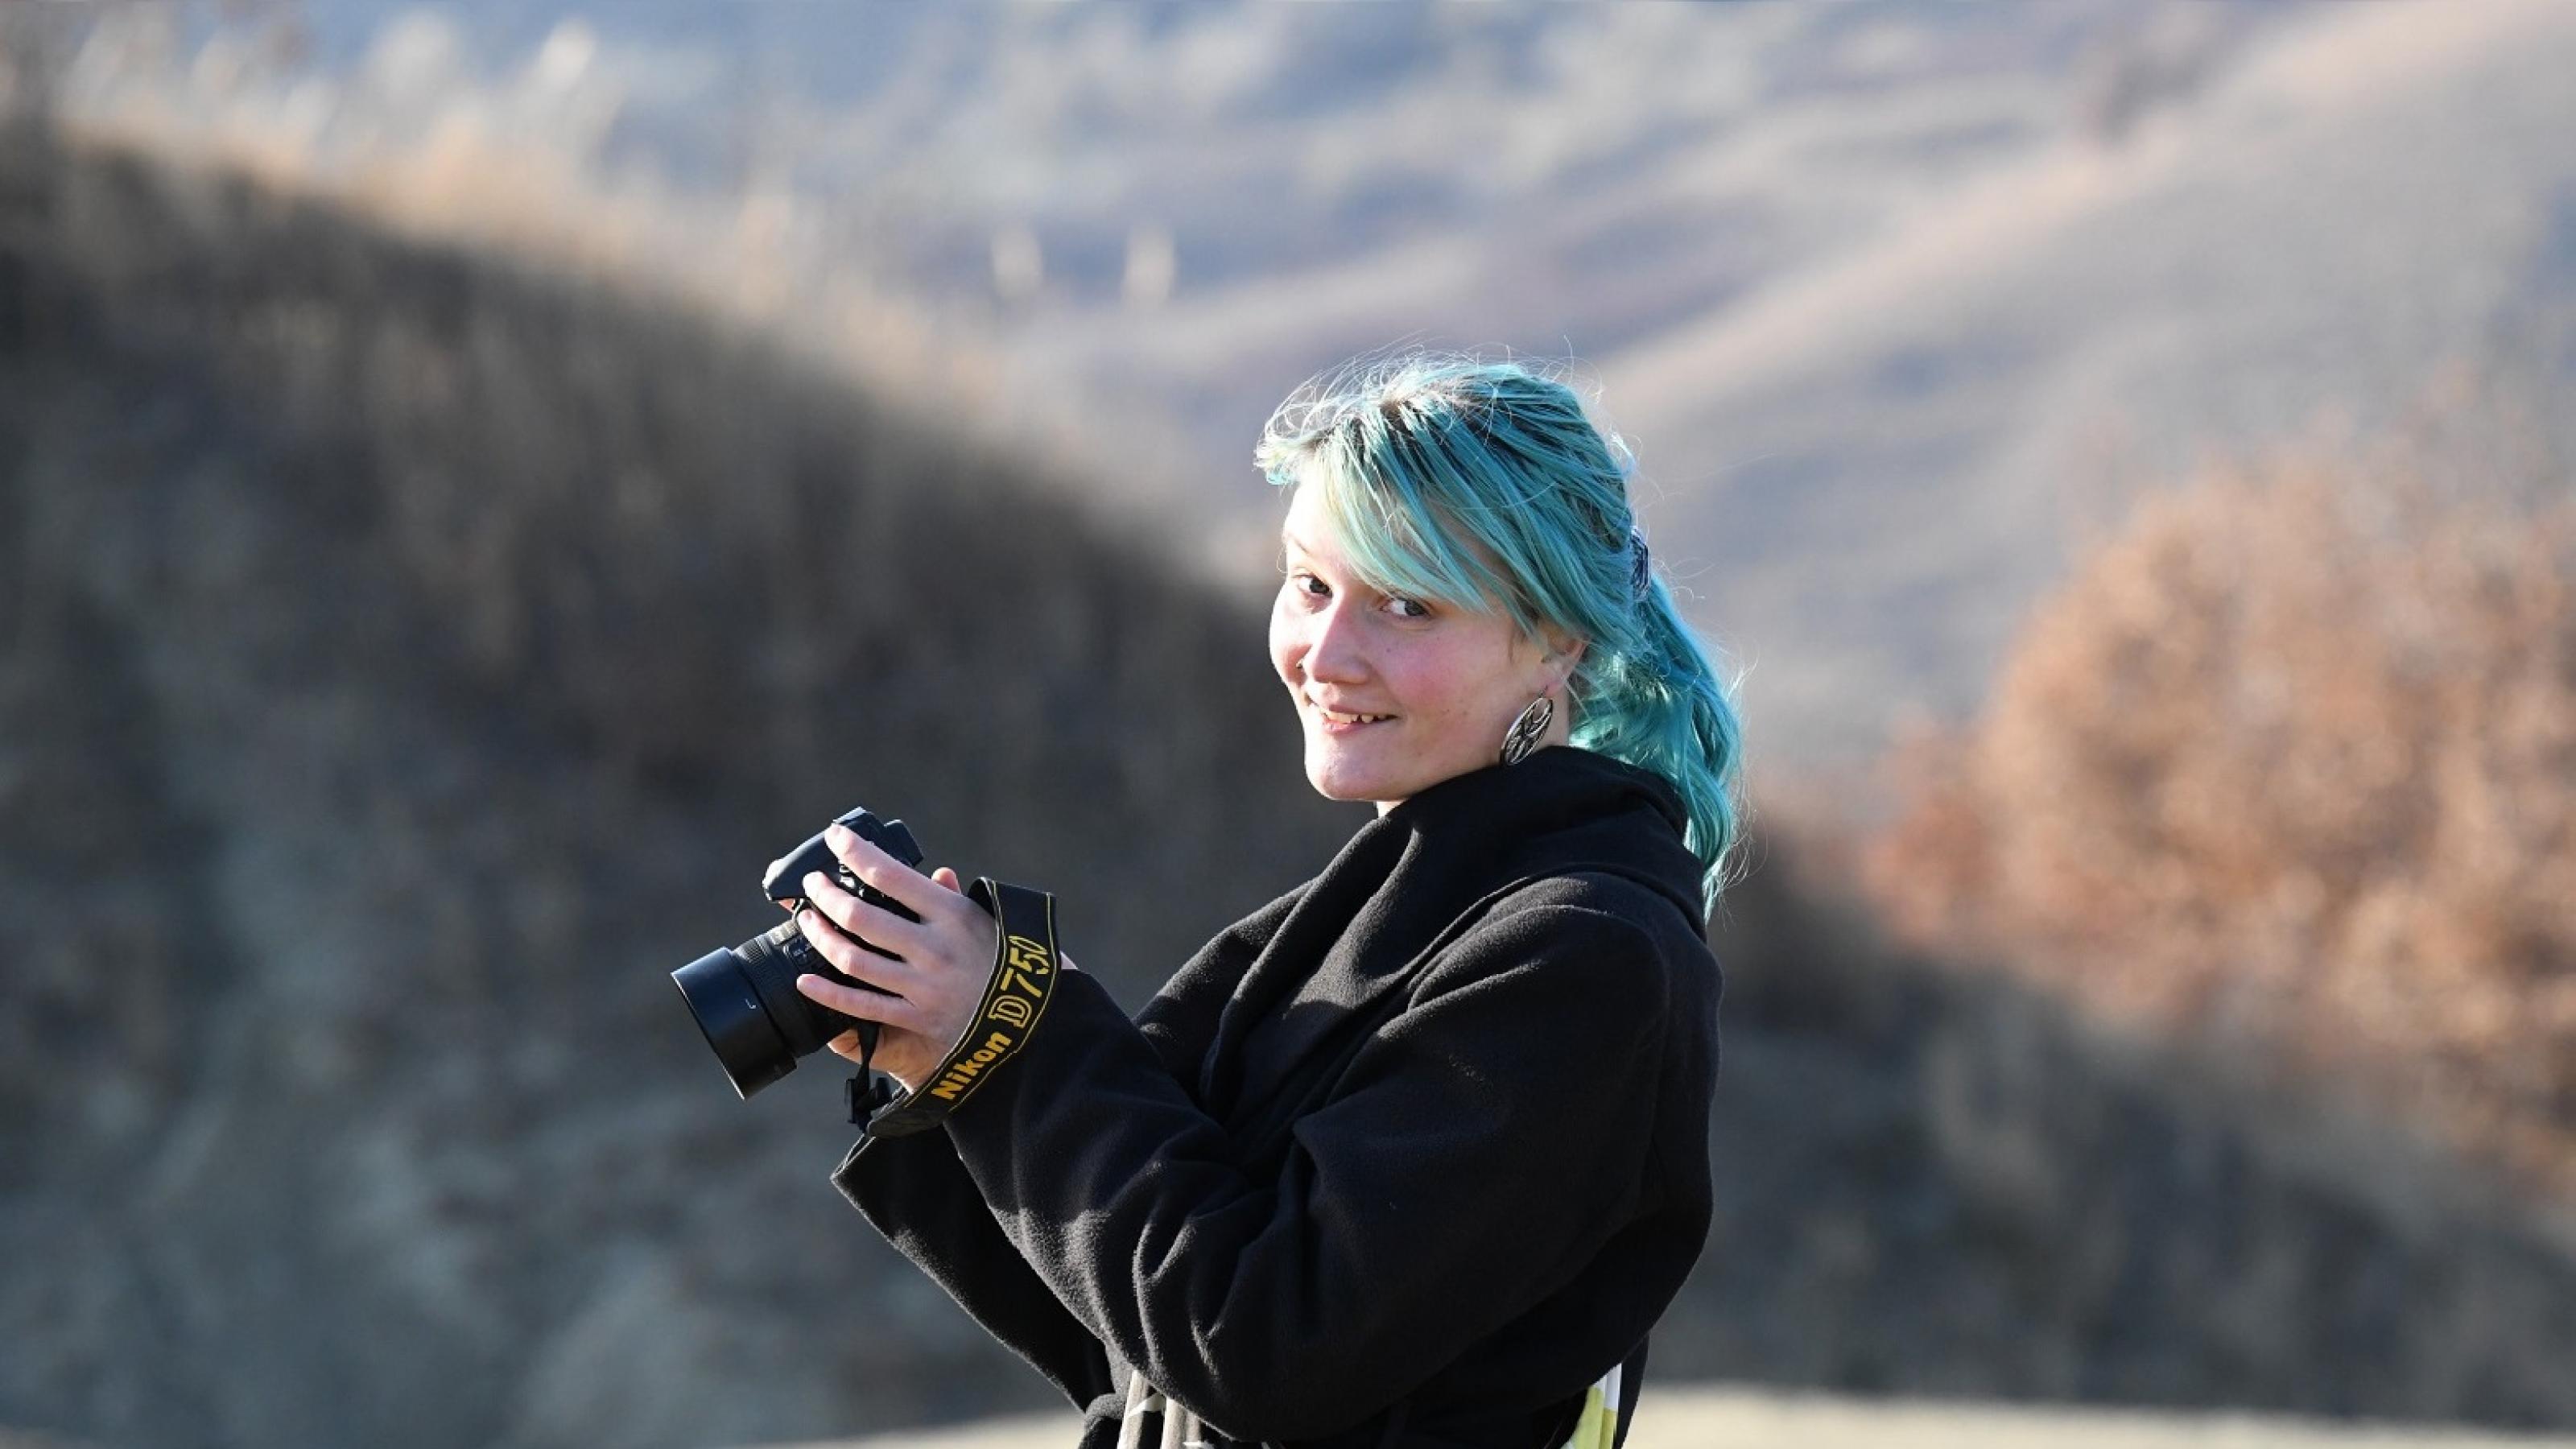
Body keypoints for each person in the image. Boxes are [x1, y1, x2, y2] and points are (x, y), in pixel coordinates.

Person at [786, 351, 1748, 1448]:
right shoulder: (1350, 924)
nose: (1326, 655)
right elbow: (1134, 1333)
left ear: (1555, 642)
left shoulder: (1585, 960)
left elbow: (1265, 1347)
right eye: (1310, 585)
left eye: (1406, 605)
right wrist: (945, 1054)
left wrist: (1011, 1038)